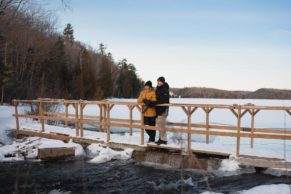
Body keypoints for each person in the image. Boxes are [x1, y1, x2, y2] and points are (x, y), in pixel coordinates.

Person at [155, 76, 170, 145]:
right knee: (159, 124)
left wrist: (155, 102)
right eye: (157, 81)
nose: (158, 82)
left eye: (159, 81)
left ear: (162, 82)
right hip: (158, 109)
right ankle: (160, 138)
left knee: (162, 124)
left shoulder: (165, 89)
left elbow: (164, 100)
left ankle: (164, 140)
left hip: (163, 110)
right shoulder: (158, 89)